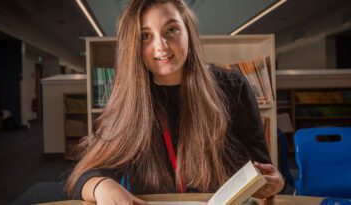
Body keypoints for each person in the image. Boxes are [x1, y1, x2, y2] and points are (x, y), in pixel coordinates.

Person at [66, 0, 284, 204]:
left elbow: (262, 165)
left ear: (188, 31)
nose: (161, 45)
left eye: (172, 30)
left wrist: (274, 182)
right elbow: (84, 177)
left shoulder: (232, 85)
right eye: (145, 36)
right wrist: (101, 185)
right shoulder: (130, 98)